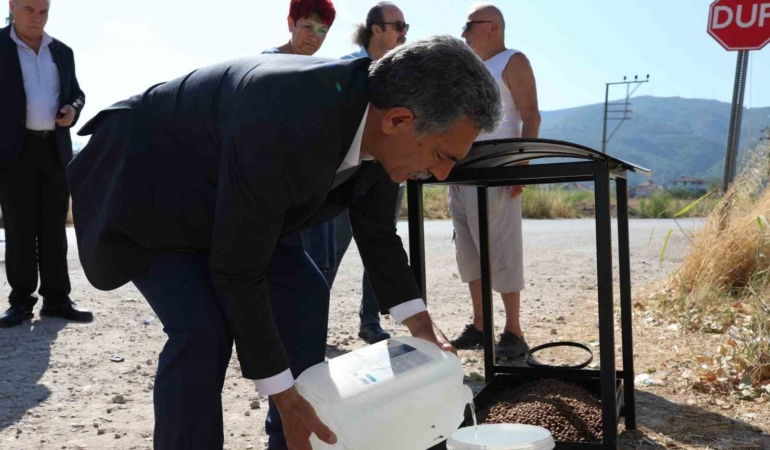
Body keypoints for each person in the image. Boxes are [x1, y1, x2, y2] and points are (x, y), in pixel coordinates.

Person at [67, 35, 502, 450]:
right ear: (399, 121)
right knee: (202, 328)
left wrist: (419, 323)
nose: (443, 175)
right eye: (443, 157)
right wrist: (282, 393)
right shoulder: (288, 117)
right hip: (155, 191)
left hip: (240, 198)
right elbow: (238, 268)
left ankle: (294, 440)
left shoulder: (384, 121)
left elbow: (377, 232)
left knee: (305, 294)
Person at [303, 1, 410, 345]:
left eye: (406, 28)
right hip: (345, 177)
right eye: (398, 26)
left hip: (386, 175)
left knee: (378, 246)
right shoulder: (346, 68)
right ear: (376, 28)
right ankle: (310, 322)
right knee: (329, 252)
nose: (404, 34)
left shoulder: (404, 75)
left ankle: (370, 322)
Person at [449, 4, 541, 358]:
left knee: (501, 245)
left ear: (492, 27)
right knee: (468, 248)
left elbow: (531, 116)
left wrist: (522, 166)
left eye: (469, 25)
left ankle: (513, 330)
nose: (464, 33)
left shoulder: (513, 61)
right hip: (463, 165)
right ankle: (480, 324)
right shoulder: (471, 68)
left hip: (498, 163)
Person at [0, 0, 90, 329]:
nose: (37, 17)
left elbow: (77, 93)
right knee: (19, 228)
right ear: (12, 6)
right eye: (29, 9)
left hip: (54, 150)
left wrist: (72, 109)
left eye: (43, 11)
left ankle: (57, 300)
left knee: (54, 229)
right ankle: (20, 303)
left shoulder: (62, 52)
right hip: (12, 152)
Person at [263, 0, 335, 56]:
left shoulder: (316, 71)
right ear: (291, 24)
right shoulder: (269, 61)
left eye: (322, 31)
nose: (314, 38)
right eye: (308, 27)